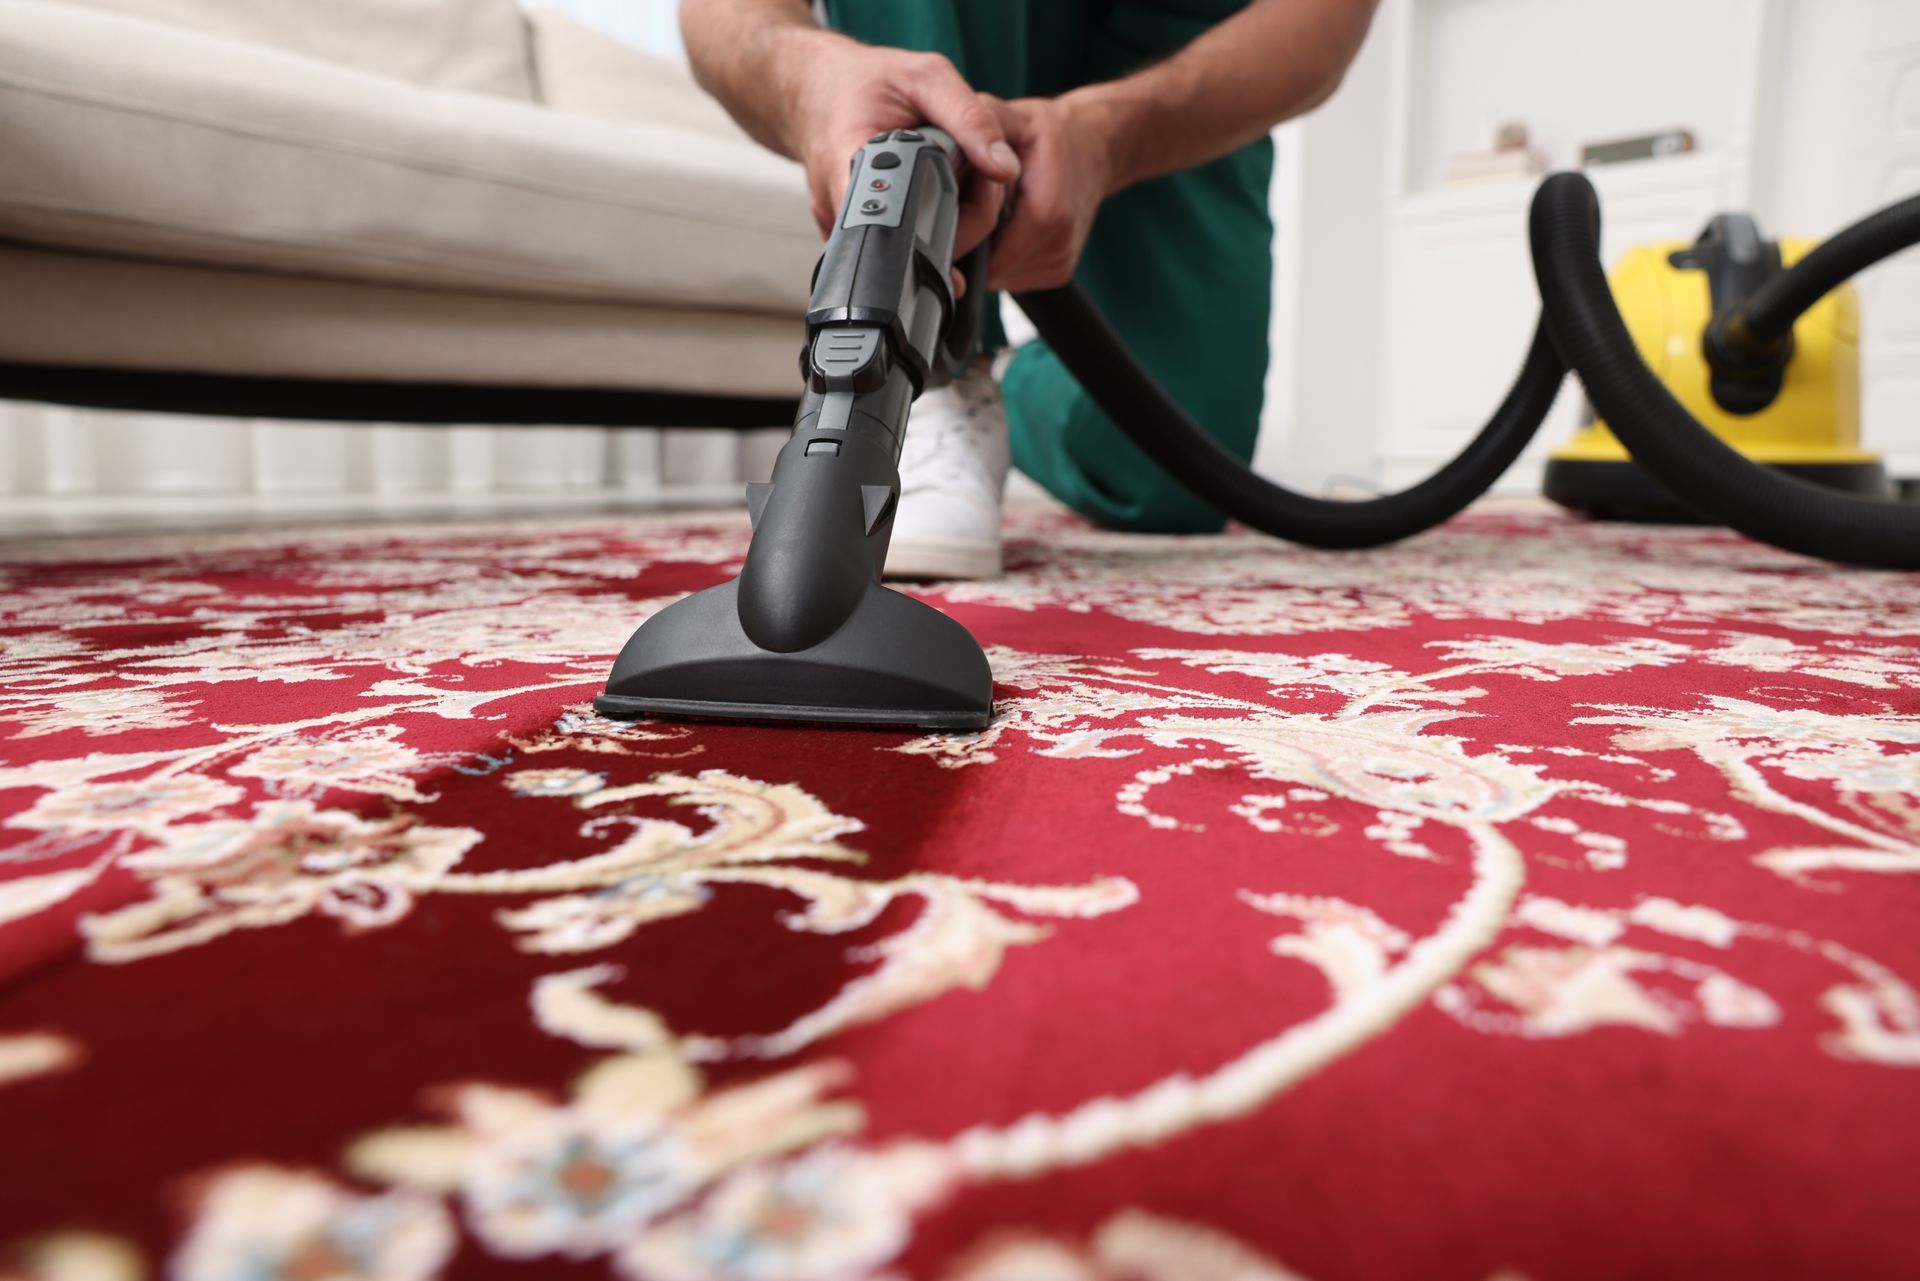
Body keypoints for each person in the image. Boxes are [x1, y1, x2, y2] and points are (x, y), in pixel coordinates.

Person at [682, 0, 1380, 578]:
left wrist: (1109, 137)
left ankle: (1016, 385)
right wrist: (809, 78)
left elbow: (1326, 18)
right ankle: (933, 377)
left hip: (1184, 36)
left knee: (1168, 471)